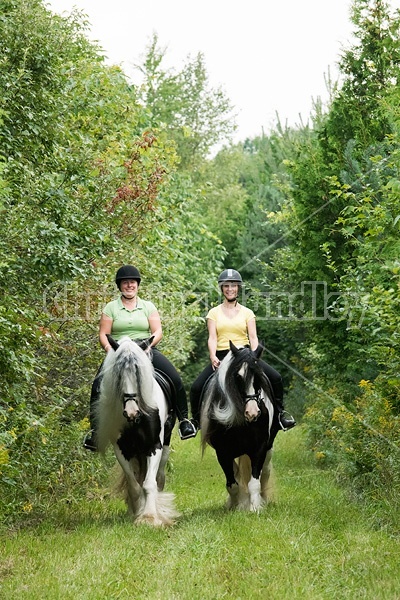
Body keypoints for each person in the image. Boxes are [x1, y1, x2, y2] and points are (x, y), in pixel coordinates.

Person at [83, 265, 196, 451]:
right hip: (119, 351)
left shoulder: (147, 306)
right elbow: (104, 334)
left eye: (133, 282)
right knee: (97, 385)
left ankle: (184, 421)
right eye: (126, 282)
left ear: (137, 285)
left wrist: (148, 347)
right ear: (120, 286)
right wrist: (109, 350)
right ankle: (94, 432)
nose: (129, 285)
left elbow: (158, 331)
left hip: (145, 349)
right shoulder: (111, 308)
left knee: (174, 378)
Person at [190, 269, 296, 431]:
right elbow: (212, 337)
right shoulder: (214, 313)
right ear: (222, 288)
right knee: (197, 387)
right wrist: (212, 356)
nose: (230, 289)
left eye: (233, 285)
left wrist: (254, 356)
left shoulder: (248, 313)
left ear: (238, 288)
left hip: (246, 355)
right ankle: (195, 422)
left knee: (275, 377)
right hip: (223, 355)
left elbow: (253, 338)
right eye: (226, 286)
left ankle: (280, 415)